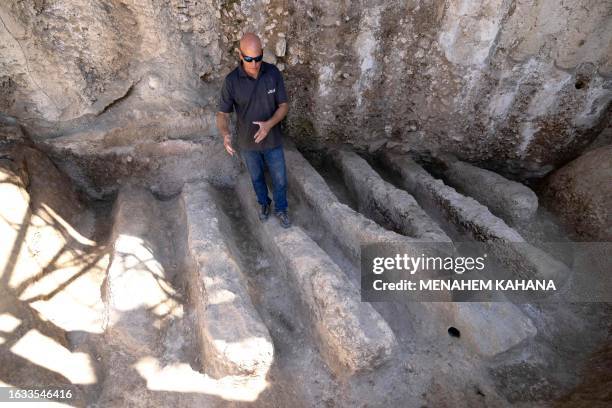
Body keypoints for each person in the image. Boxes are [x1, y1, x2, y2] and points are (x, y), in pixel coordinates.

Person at [216, 32, 291, 228]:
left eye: (258, 58)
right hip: (248, 143)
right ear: (240, 55)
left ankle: (281, 209)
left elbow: (283, 106)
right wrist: (225, 134)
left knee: (280, 178)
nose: (254, 63)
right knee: (257, 178)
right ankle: (264, 204)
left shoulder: (273, 73)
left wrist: (269, 125)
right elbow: (222, 114)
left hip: (272, 139)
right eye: (249, 59)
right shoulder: (232, 81)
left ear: (262, 54)